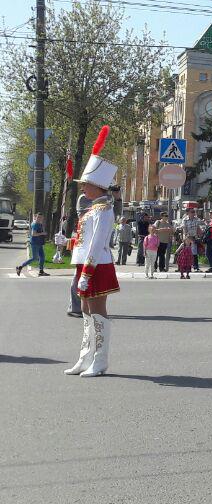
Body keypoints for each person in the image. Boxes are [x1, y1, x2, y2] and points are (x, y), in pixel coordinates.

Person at [64, 126, 120, 379]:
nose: (83, 188)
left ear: (98, 186)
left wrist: (87, 271)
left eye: (86, 184)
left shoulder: (104, 210)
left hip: (96, 265)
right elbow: (86, 240)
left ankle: (100, 360)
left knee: (97, 312)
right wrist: (70, 241)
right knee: (86, 312)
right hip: (85, 264)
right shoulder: (92, 209)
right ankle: (85, 357)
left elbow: (98, 244)